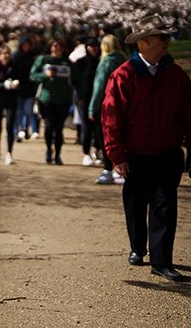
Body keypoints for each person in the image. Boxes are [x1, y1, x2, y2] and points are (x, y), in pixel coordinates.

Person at [102, 14, 191, 282]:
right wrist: (116, 155)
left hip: (167, 152)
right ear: (143, 42)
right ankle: (138, 248)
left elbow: (189, 113)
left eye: (167, 37)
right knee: (136, 204)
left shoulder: (175, 75)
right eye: (161, 37)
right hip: (135, 154)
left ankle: (162, 261)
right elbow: (110, 118)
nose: (167, 42)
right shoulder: (123, 76)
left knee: (165, 205)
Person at [90, 34, 127, 185]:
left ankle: (108, 169)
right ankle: (121, 170)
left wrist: (92, 107)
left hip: (108, 105)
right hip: (125, 105)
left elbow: (99, 87)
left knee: (106, 138)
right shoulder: (125, 60)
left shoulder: (106, 63)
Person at [30, 37, 73, 165]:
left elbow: (76, 77)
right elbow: (32, 75)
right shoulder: (43, 60)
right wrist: (45, 75)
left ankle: (58, 155)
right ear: (50, 47)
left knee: (59, 129)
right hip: (47, 99)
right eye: (55, 46)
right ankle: (49, 150)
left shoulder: (67, 61)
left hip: (63, 99)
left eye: (60, 46)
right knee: (48, 127)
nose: (58, 48)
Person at [72, 37, 101, 165]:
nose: (93, 48)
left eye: (95, 46)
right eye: (90, 46)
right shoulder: (80, 62)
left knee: (99, 127)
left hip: (99, 99)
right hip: (84, 99)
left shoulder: (102, 61)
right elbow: (75, 82)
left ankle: (98, 150)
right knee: (86, 126)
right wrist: (79, 97)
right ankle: (86, 153)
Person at [12, 35, 39, 141]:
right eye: (24, 45)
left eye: (28, 45)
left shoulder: (32, 57)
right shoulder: (16, 56)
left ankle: (25, 129)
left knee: (28, 111)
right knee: (18, 111)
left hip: (29, 88)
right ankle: (16, 130)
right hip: (18, 88)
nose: (26, 47)